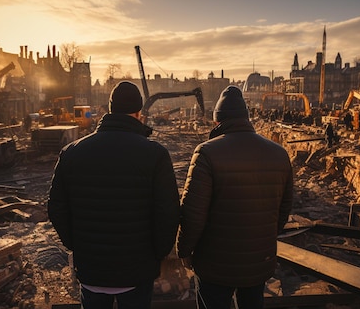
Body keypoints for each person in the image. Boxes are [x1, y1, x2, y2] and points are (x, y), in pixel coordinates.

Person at [48, 81, 180, 309]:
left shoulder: (72, 153)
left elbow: (56, 207)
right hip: (137, 273)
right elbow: (168, 213)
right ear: (139, 113)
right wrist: (156, 254)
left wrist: (76, 245)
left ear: (109, 110)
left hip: (91, 272)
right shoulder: (156, 155)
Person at [176, 85, 294, 309]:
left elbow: (193, 212)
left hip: (214, 264)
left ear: (217, 121)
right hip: (258, 263)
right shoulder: (279, 154)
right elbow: (284, 208)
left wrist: (184, 249)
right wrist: (263, 239)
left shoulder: (206, 152)